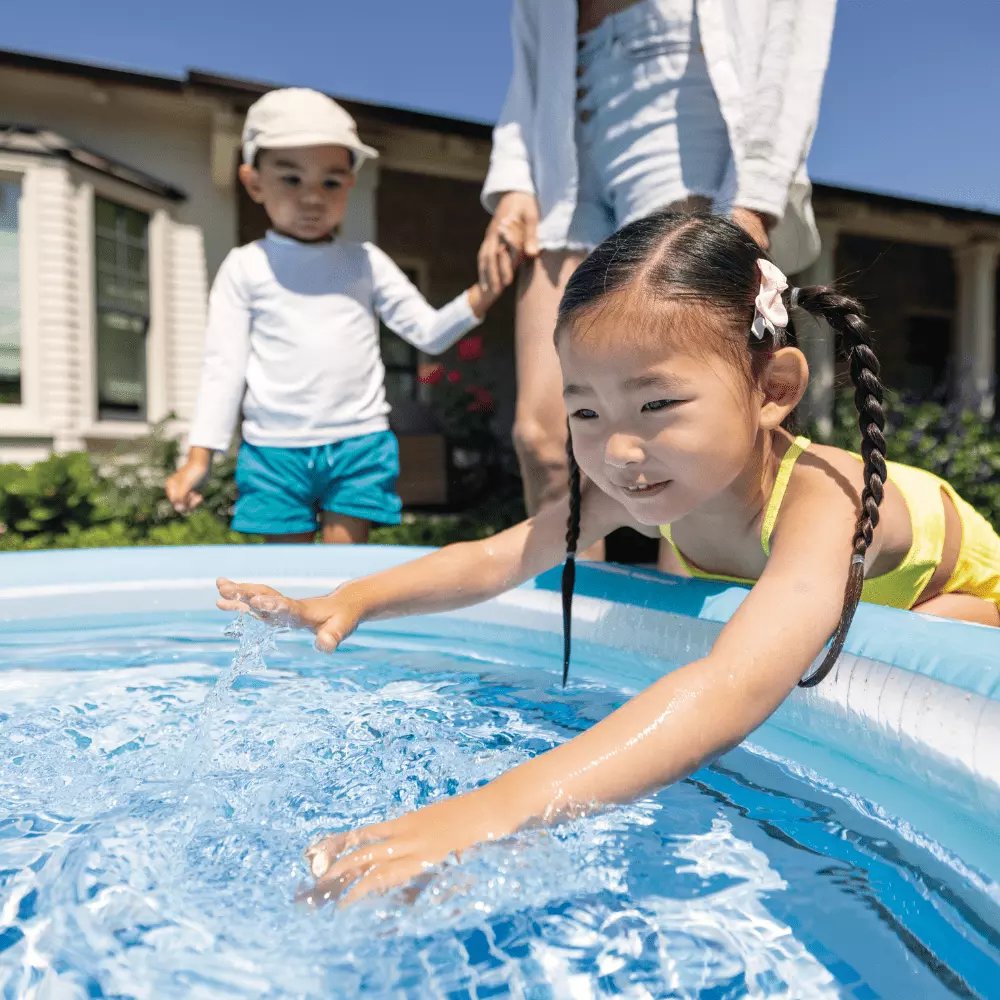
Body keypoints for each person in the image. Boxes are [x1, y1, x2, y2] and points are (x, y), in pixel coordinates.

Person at [216, 213, 1000, 905]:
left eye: (658, 404)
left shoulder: (822, 495)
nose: (619, 450)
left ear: (773, 389)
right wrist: (354, 599)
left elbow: (731, 686)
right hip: (828, 611)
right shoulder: (649, 478)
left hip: (964, 615)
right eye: (586, 411)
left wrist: (490, 811)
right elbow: (495, 558)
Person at [477, 0, 836, 532]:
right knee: (544, 437)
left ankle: (690, 586)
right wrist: (515, 184)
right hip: (562, 139)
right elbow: (527, 71)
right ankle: (570, 589)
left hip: (685, 119)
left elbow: (791, 40)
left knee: (686, 442)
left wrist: (754, 198)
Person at [165, 88, 509, 543]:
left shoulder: (365, 262)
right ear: (254, 183)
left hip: (358, 443)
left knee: (344, 572)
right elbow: (223, 367)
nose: (312, 197)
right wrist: (199, 456)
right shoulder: (245, 267)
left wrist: (483, 294)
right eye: (291, 179)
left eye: (330, 182)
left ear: (350, 183)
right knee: (285, 576)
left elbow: (427, 333)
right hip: (273, 449)